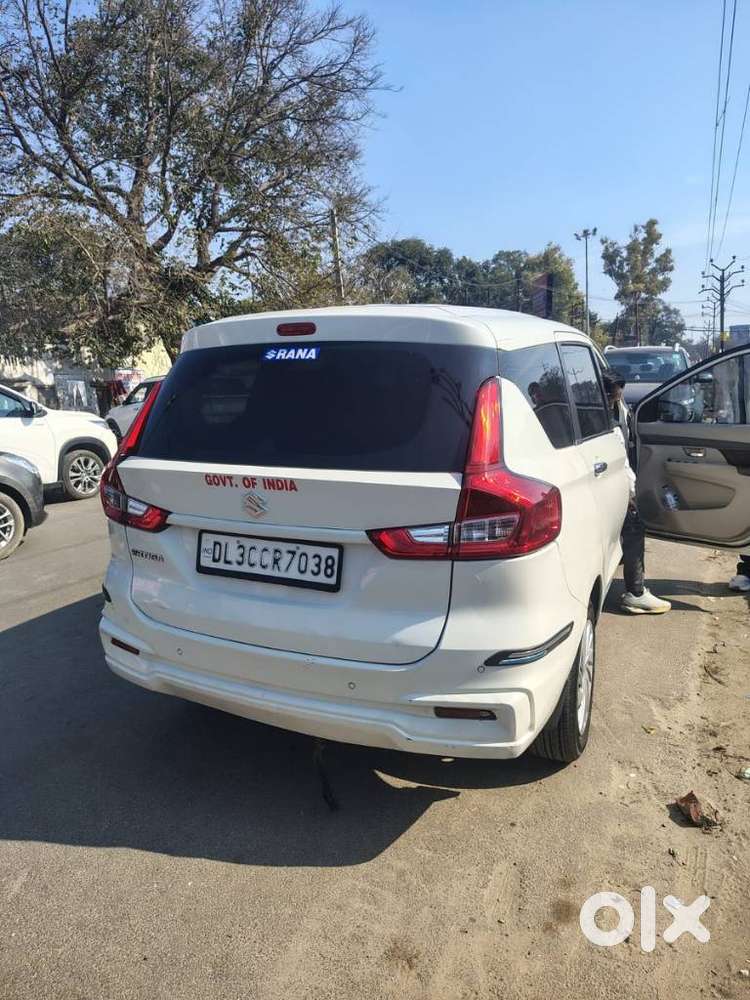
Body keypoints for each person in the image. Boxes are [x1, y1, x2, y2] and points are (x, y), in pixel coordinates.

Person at [602, 371, 671, 615]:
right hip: (610, 482)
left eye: (619, 393)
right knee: (633, 527)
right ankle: (636, 592)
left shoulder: (619, 409)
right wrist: (632, 494)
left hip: (609, 481)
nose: (617, 397)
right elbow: (620, 460)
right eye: (613, 394)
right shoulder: (604, 421)